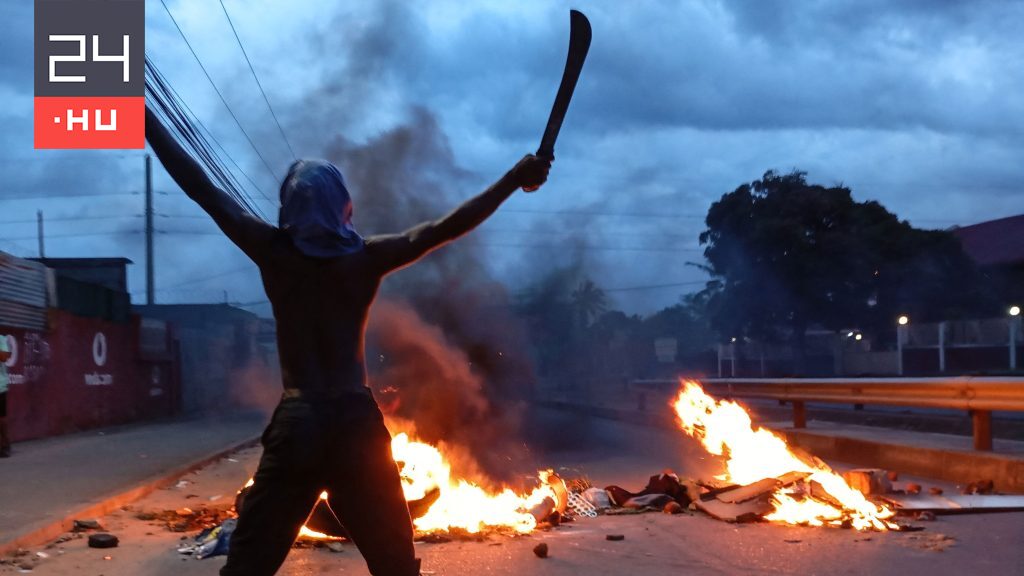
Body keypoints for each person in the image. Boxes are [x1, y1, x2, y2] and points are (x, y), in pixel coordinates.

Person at [145, 107, 551, 576]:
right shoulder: (365, 260)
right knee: (395, 564)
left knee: (248, 567)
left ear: (288, 209)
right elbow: (447, 227)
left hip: (299, 423)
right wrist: (513, 178)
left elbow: (201, 188)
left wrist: (146, 120)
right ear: (344, 207)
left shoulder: (274, 253)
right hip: (355, 424)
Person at [0, 333, 11, 458]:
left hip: (0, 385)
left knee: (1, 419)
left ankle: (5, 445)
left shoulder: (1, 339)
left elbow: (3, 357)